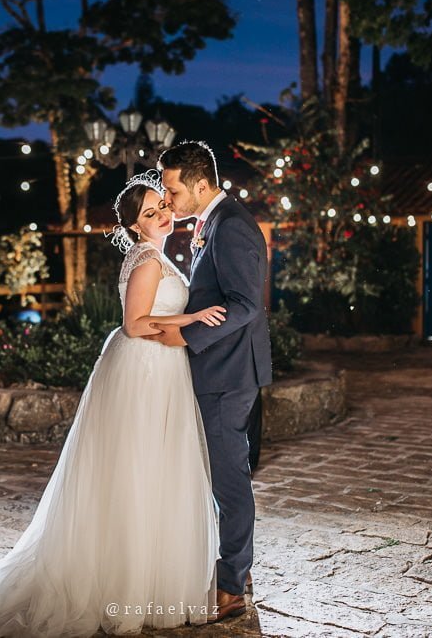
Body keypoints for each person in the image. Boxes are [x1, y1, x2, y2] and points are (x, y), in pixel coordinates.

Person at [0, 170, 224, 637]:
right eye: (151, 213)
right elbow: (134, 325)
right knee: (138, 468)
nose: (164, 214)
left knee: (150, 468)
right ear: (134, 227)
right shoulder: (148, 260)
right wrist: (193, 317)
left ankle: (146, 579)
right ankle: (124, 587)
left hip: (158, 366)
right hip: (143, 368)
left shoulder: (156, 255)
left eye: (163, 206)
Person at [150, 140, 273, 623]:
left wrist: (186, 338)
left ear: (201, 184)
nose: (168, 198)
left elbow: (245, 304)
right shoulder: (213, 222)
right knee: (224, 475)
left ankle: (232, 585)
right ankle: (234, 573)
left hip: (227, 373)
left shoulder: (233, 227)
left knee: (230, 479)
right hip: (221, 370)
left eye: (174, 188)